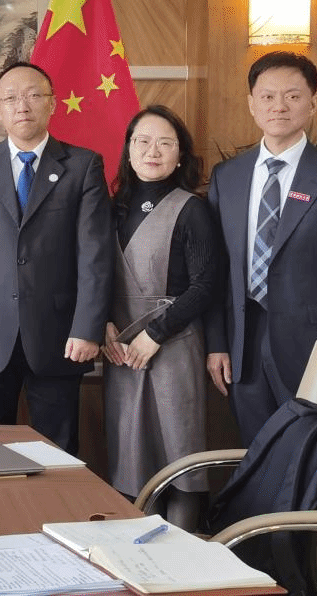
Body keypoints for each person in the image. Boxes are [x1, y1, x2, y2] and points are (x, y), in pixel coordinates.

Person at [205, 51, 317, 444]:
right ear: (251, 104)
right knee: (255, 452)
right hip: (242, 344)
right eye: (267, 96)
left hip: (312, 345)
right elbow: (215, 269)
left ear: (313, 103)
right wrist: (217, 343)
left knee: (310, 452)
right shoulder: (227, 177)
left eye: (292, 96)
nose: (279, 106)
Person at [0, 61, 113, 454]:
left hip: (60, 335)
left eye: (34, 95)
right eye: (11, 98)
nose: (22, 105)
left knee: (58, 449)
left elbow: (95, 257)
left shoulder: (83, 166)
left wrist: (88, 328)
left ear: (52, 103)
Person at [101, 106, 222, 529]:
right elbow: (94, 274)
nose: (153, 151)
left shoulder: (192, 209)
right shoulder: (111, 207)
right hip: (120, 350)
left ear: (180, 154)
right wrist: (103, 324)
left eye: (165, 143)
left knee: (179, 454)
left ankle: (181, 556)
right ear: (128, 150)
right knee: (131, 457)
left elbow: (207, 285)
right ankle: (138, 556)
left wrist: (156, 333)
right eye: (143, 141)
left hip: (173, 343)